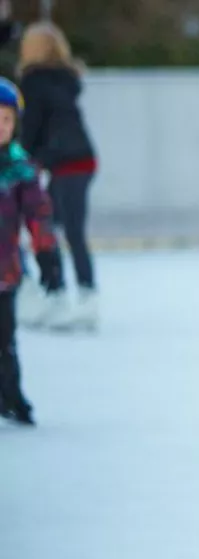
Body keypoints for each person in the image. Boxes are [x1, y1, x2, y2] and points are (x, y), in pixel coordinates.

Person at [17, 21, 98, 331]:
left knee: (64, 230)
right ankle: (59, 292)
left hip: (68, 163)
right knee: (53, 228)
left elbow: (33, 126)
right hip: (79, 160)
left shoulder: (35, 81)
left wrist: (20, 159)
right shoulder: (65, 79)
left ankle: (78, 296)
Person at [0, 76, 60, 425]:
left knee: (5, 340)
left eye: (7, 120)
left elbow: (38, 214)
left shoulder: (21, 169)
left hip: (4, 273)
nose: (1, 127)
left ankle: (11, 395)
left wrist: (46, 254)